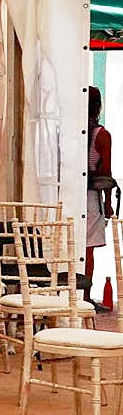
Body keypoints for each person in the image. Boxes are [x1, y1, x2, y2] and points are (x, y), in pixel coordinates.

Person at [86, 86, 112, 297]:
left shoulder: (70, 132)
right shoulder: (101, 135)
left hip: (67, 194)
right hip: (90, 197)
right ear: (98, 107)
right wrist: (108, 204)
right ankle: (85, 296)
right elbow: (106, 173)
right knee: (88, 250)